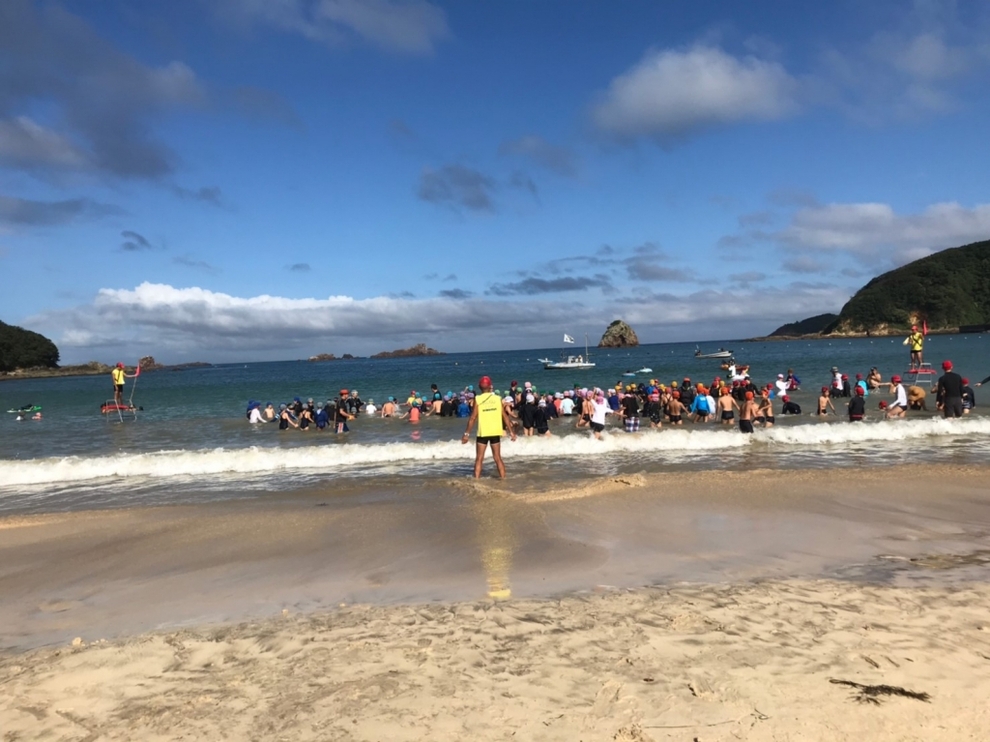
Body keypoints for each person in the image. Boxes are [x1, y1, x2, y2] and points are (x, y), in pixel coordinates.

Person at [461, 375, 517, 478]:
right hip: (495, 431)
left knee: (479, 458)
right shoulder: (497, 398)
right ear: (490, 386)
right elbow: (504, 416)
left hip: (483, 432)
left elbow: (473, 418)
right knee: (498, 458)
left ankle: (476, 480)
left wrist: (466, 434)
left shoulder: (477, 399)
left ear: (479, 386)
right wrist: (511, 432)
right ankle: (503, 479)